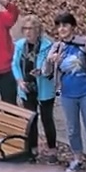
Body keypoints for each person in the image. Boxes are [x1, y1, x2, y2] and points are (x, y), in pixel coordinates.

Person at [43, 12, 86, 172]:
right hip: (67, 93)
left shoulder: (84, 43)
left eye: (65, 25)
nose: (62, 29)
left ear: (72, 26)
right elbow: (46, 72)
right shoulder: (57, 47)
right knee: (72, 128)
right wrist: (50, 60)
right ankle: (77, 158)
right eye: (59, 26)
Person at [13, 15, 58, 156]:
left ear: (38, 30)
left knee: (47, 119)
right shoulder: (20, 45)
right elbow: (14, 64)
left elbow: (51, 68)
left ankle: (52, 149)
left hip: (44, 89)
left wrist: (42, 72)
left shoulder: (48, 46)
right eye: (25, 29)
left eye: (31, 29)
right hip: (26, 87)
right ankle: (33, 148)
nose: (28, 32)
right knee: (31, 120)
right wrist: (19, 81)